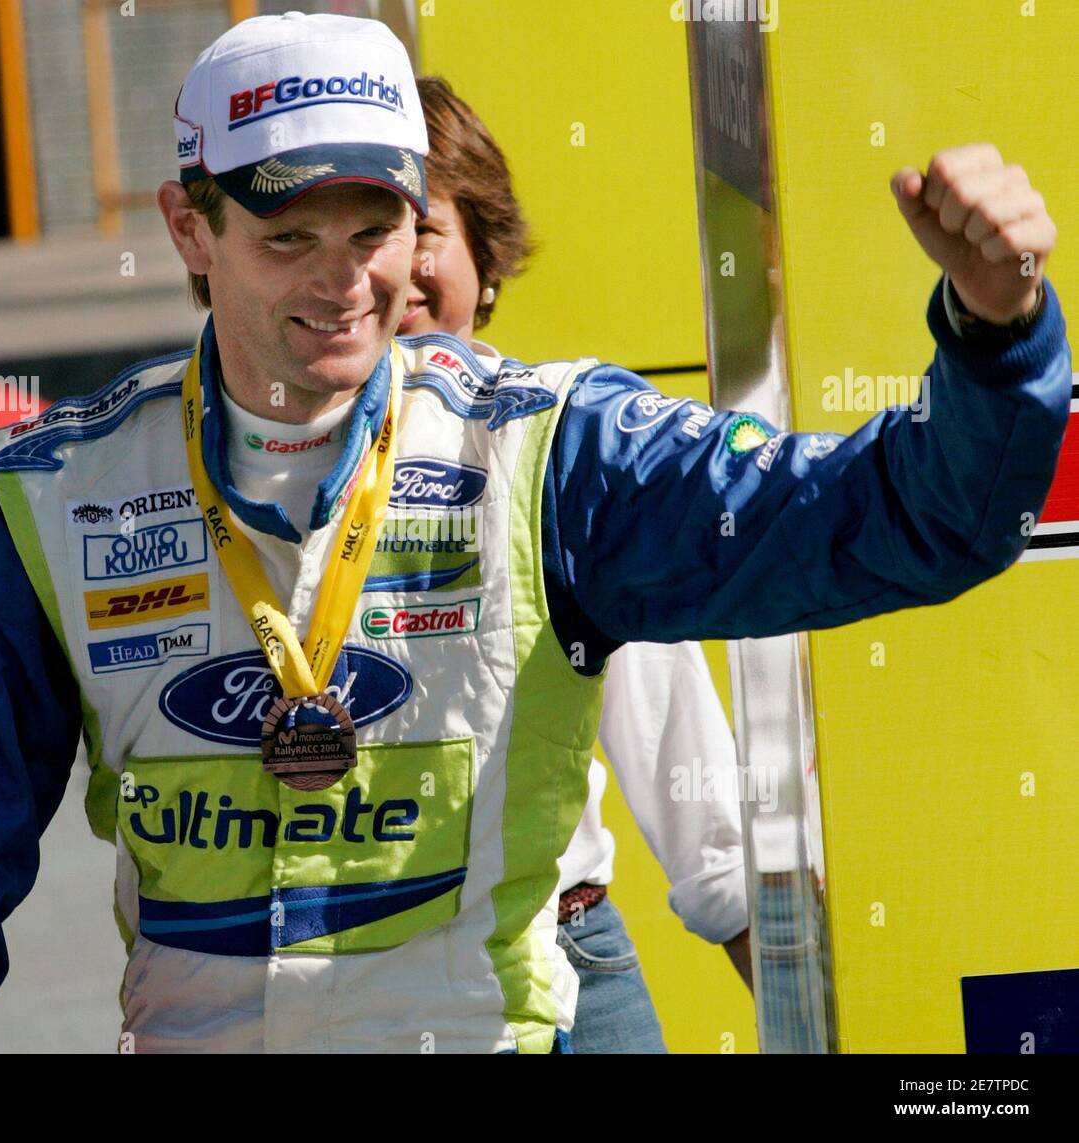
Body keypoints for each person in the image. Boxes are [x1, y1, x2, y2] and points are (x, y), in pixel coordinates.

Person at [0, 12, 1069, 1054]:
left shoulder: (554, 447)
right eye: (288, 237)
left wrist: (999, 335)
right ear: (191, 229)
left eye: (377, 232)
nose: (346, 283)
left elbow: (911, 521)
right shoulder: (52, 497)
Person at [401, 75, 751, 1054]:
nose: (388, 269)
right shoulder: (218, 481)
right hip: (341, 998)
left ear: (484, 250)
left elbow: (688, 781)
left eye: (417, 226)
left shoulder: (555, 457)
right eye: (335, 234)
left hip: (571, 969)